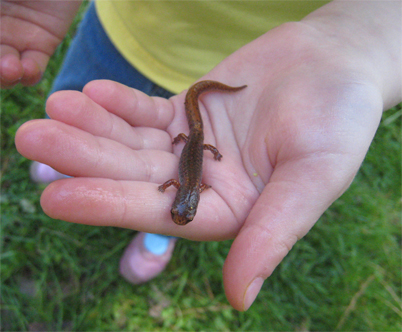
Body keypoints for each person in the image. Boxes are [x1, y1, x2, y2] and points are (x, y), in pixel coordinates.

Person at [3, 0, 401, 311]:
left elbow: (180, 179)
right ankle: (67, 158)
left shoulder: (189, 185)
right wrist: (199, 147)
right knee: (87, 105)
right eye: (183, 209)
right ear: (186, 197)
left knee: (161, 136)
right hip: (128, 35)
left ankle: (153, 233)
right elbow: (183, 176)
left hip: (201, 118)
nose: (181, 204)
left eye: (182, 209)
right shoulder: (190, 183)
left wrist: (357, 39)